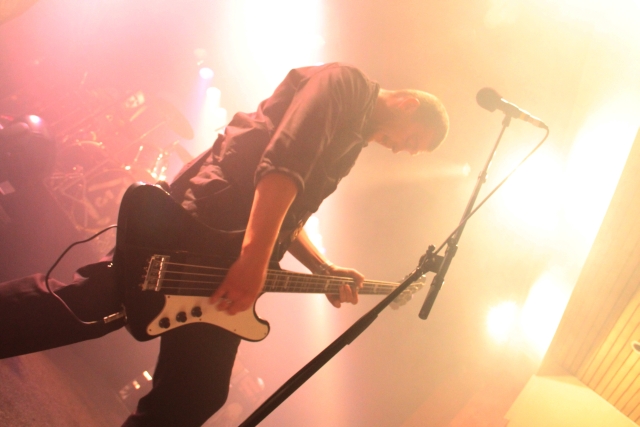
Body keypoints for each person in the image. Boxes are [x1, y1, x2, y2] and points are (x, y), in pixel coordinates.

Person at [0, 62, 449, 426]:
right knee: (96, 306)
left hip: (227, 252)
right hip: (203, 226)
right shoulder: (345, 85)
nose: (401, 150)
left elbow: (290, 211)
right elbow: (283, 164)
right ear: (408, 105)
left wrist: (323, 269)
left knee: (193, 391)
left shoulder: (353, 141)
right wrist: (253, 259)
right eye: (412, 140)